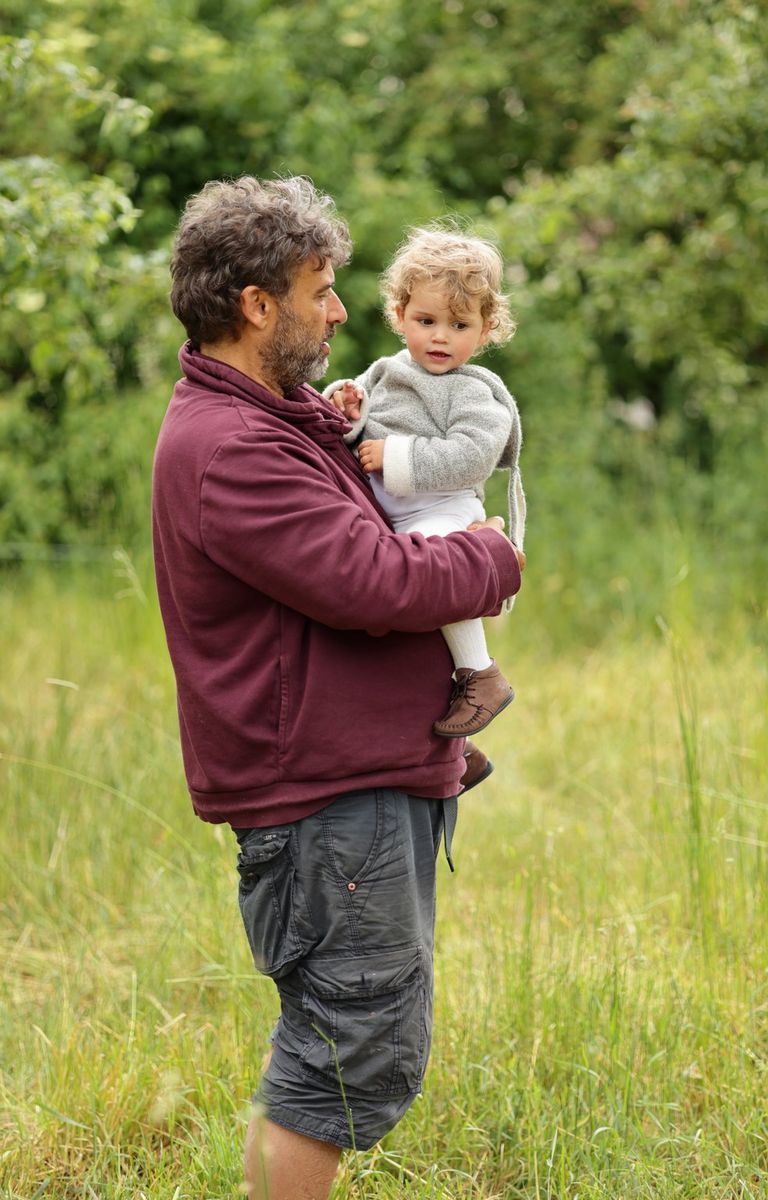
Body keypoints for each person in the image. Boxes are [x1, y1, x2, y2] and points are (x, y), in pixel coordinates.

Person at [152, 175, 524, 1200]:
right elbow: (372, 580)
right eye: (320, 289)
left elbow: (374, 492)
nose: (340, 310)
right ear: (256, 305)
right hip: (321, 796)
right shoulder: (233, 449)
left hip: (352, 776)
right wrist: (491, 559)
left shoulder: (279, 416)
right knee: (338, 1059)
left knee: (356, 1046)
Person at [324, 226, 526, 739]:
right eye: (426, 320)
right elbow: (355, 426)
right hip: (389, 514)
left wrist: (397, 455)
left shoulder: (473, 392)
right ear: (399, 316)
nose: (440, 336)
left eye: (459, 324)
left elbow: (474, 455)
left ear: (485, 330)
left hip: (444, 510)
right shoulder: (384, 373)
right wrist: (347, 408)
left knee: (434, 565)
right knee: (395, 611)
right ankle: (446, 742)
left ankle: (481, 673)